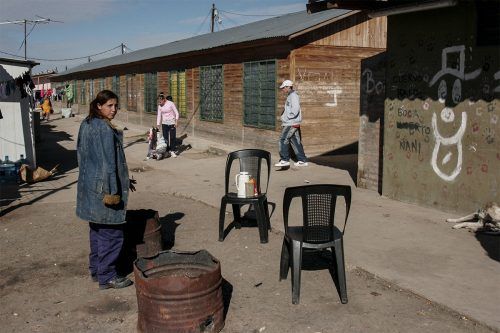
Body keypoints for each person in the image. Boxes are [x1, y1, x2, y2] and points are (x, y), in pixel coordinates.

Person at [76, 90, 136, 290]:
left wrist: (125, 180)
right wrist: (112, 190)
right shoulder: (102, 128)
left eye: (116, 106)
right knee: (112, 234)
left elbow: (84, 157)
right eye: (110, 105)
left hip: (91, 187)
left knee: (97, 231)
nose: (114, 110)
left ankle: (96, 270)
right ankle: (108, 276)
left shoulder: (87, 123)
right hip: (104, 189)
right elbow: (108, 164)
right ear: (99, 105)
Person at [274, 80, 308, 167]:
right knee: (295, 141)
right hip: (292, 122)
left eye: (284, 87)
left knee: (283, 139)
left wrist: (287, 117)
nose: (282, 89)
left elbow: (295, 109)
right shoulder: (291, 95)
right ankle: (302, 160)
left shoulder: (293, 96)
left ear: (288, 87)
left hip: (290, 123)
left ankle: (285, 159)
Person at [156, 93, 179, 158]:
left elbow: (177, 113)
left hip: (172, 122)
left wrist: (176, 122)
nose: (160, 103)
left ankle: (172, 151)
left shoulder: (170, 103)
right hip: (164, 123)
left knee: (172, 137)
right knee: (165, 138)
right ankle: (167, 151)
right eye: (159, 102)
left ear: (164, 100)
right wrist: (158, 125)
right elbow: (159, 116)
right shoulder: (159, 106)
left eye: (161, 102)